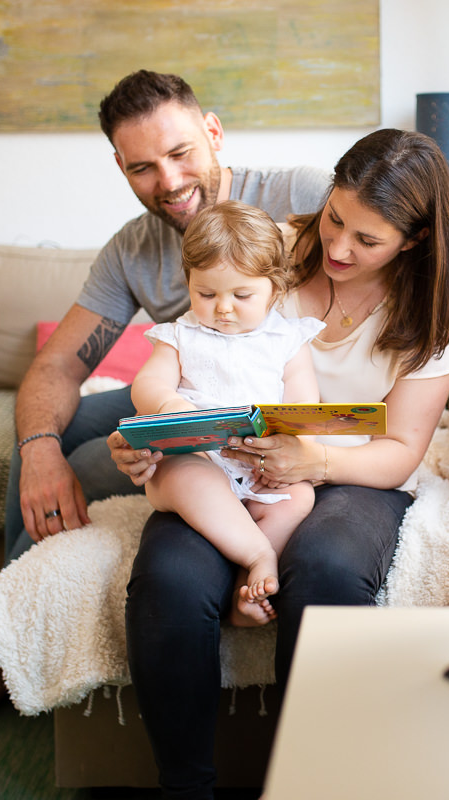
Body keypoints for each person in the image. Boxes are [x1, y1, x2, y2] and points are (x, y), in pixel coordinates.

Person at [0, 69, 449, 734]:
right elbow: (61, 365)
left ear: (214, 133)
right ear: (120, 168)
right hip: (188, 393)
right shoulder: (137, 249)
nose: (169, 180)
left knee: (101, 462)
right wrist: (59, 447)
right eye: (142, 167)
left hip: (275, 415)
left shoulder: (303, 198)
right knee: (44, 443)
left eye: (180, 152)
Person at [108, 127, 449, 796]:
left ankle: (310, 783)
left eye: (367, 240)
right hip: (227, 459)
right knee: (170, 579)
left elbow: (398, 454)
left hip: (354, 473)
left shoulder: (428, 316)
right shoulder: (263, 248)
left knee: (327, 571)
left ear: (414, 239)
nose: (339, 248)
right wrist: (145, 439)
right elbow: (182, 365)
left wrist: (312, 461)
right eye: (335, 219)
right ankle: (185, 787)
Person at [133, 201, 323, 625]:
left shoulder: (288, 340)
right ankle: (258, 555)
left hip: (258, 465)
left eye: (241, 295)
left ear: (275, 288)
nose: (222, 308)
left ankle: (246, 590)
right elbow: (146, 384)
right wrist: (169, 404)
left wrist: (292, 447)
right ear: (189, 282)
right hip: (196, 459)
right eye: (206, 294)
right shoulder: (180, 335)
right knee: (189, 477)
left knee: (299, 497)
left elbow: (303, 408)